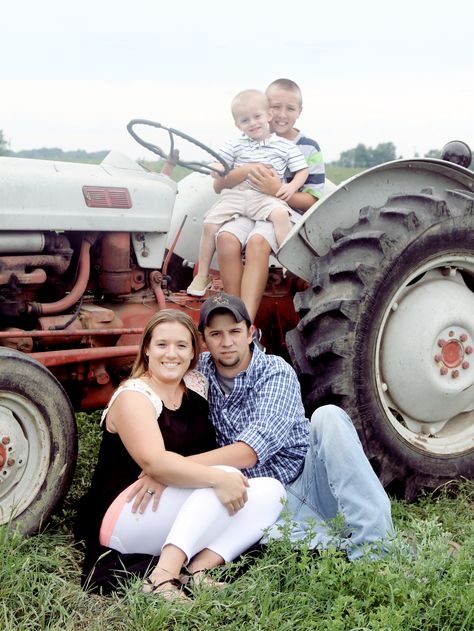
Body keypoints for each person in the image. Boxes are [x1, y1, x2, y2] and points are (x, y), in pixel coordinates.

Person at [76, 309, 285, 598]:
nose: (171, 354)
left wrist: (174, 475)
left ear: (193, 354)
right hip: (128, 510)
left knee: (273, 491)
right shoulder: (134, 396)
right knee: (222, 477)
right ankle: (162, 577)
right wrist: (203, 477)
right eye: (162, 345)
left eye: (181, 346)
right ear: (147, 348)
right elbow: (154, 462)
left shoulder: (196, 386)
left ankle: (197, 571)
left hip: (171, 504)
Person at [193, 294, 394, 560]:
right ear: (204, 340)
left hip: (310, 479)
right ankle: (335, 544)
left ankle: (376, 552)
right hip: (262, 504)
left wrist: (174, 467)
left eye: (234, 331)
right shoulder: (199, 374)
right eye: (216, 334)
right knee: (252, 543)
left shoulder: (275, 371)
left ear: (250, 333)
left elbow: (252, 450)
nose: (227, 342)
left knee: (328, 416)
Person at [214, 78, 325, 322]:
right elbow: (219, 183)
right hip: (247, 209)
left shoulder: (308, 148)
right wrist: (245, 170)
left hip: (285, 212)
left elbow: (313, 200)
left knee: (257, 242)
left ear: (299, 111)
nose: (281, 115)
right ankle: (233, 314)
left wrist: (277, 189)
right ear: (265, 107)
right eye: (275, 107)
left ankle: (246, 325)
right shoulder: (247, 138)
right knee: (225, 239)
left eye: (290, 108)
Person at [186, 88, 309, 297]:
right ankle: (202, 274)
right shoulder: (234, 144)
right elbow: (219, 164)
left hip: (264, 196)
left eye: (257, 117)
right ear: (237, 125)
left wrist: (291, 187)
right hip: (237, 195)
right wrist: (216, 168)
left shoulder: (284, 146)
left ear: (268, 115)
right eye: (245, 120)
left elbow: (302, 170)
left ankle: (290, 262)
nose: (252, 123)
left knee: (280, 215)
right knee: (209, 225)